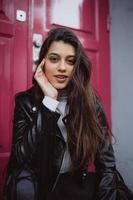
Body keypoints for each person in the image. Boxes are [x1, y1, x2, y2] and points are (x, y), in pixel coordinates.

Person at [4, 27, 133, 200]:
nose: (62, 68)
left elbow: (106, 163)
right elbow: (20, 159)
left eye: (71, 61)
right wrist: (49, 102)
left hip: (74, 183)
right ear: (43, 62)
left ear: (77, 65)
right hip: (37, 185)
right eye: (54, 59)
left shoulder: (90, 102)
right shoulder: (25, 102)